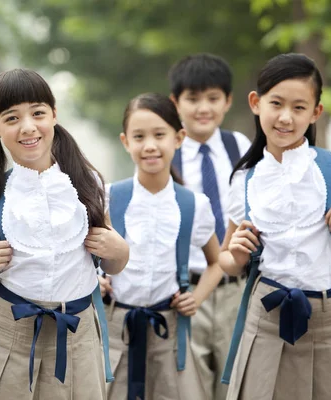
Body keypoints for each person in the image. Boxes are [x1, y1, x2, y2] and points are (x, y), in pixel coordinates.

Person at [0, 68, 130, 400]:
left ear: (54, 115)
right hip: (5, 335)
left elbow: (112, 264)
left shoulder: (86, 185)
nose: (28, 127)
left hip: (76, 334)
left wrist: (120, 250)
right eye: (12, 117)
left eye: (38, 113)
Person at [220, 53, 331, 399]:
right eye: (276, 104)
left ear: (316, 113)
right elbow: (226, 260)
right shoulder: (244, 180)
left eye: (299, 108)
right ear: (256, 103)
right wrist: (235, 253)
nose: (285, 117)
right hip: (265, 319)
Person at [101, 93, 223, 400]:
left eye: (159, 135)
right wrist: (95, 280)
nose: (150, 146)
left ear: (178, 138)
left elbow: (216, 261)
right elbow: (83, 257)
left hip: (169, 332)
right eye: (139, 137)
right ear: (125, 141)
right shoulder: (108, 198)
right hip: (114, 331)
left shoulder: (193, 204)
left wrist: (197, 297)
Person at [167, 53, 251, 400]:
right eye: (193, 99)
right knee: (188, 386)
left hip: (235, 290)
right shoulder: (166, 152)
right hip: (184, 291)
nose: (204, 108)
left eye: (213, 98)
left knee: (235, 385)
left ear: (228, 101)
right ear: (176, 102)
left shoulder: (241, 148)